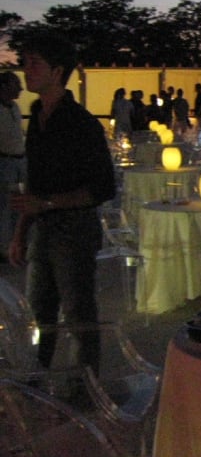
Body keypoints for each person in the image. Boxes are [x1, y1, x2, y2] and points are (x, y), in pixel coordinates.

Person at [9, 30, 116, 377]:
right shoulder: (37, 117)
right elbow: (35, 185)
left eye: (34, 63)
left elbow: (103, 187)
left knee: (78, 315)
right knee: (38, 315)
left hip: (74, 231)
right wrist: (21, 231)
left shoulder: (82, 124)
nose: (27, 70)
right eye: (25, 63)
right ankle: (36, 381)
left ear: (57, 71)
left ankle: (85, 390)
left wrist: (49, 203)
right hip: (42, 229)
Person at [0, 71, 26, 259]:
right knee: (4, 206)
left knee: (19, 205)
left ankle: (16, 245)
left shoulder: (15, 108)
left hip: (19, 161)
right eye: (16, 84)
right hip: (4, 161)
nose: (20, 88)